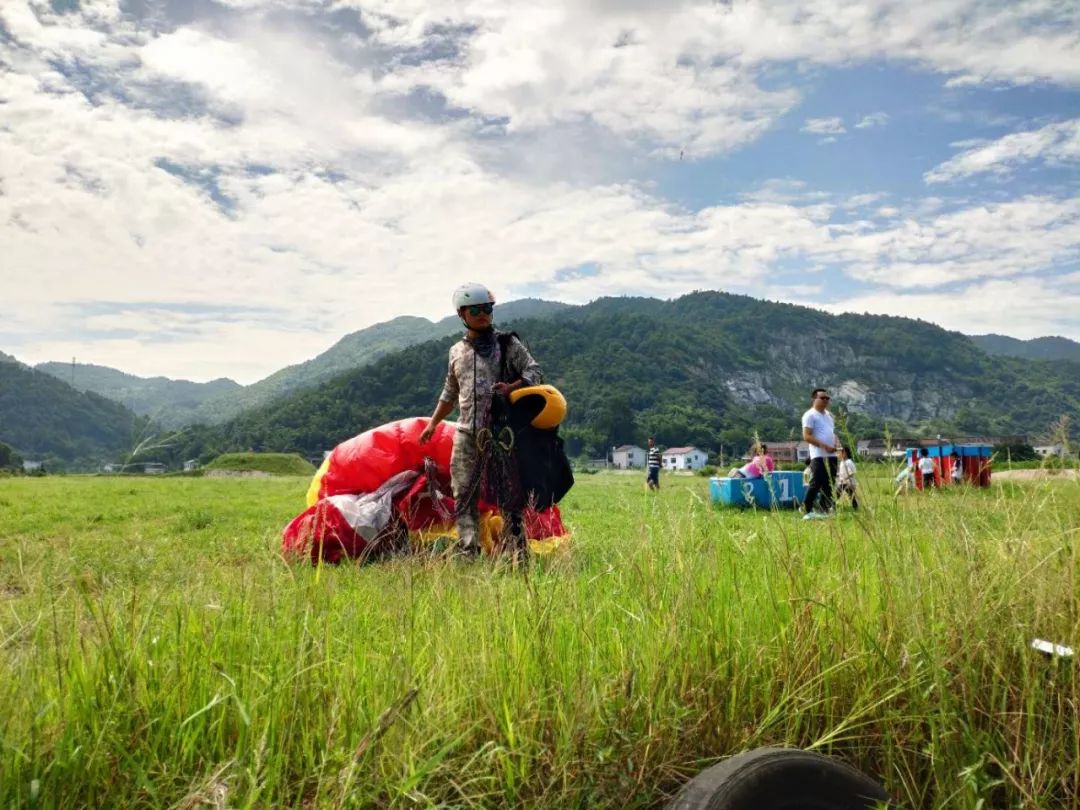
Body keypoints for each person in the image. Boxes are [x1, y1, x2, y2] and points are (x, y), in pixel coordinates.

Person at [419, 283, 542, 555]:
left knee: (510, 493)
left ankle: (517, 551)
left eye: (487, 308)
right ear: (462, 314)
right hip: (467, 433)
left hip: (502, 433)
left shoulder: (507, 344)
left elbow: (534, 370)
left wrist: (512, 387)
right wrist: (433, 423)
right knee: (463, 491)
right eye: (476, 310)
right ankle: (469, 549)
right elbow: (450, 392)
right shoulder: (456, 352)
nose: (484, 314)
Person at [801, 387, 837, 519]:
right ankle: (807, 508)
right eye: (822, 398)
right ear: (814, 399)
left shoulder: (828, 416)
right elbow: (807, 436)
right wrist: (824, 446)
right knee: (816, 482)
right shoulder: (810, 415)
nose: (826, 400)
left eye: (827, 398)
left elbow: (832, 433)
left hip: (832, 455)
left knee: (830, 484)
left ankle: (824, 510)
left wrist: (837, 443)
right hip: (819, 455)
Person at [836, 445, 859, 510]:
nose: (838, 455)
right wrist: (838, 475)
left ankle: (832, 506)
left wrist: (845, 478)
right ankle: (855, 507)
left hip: (848, 483)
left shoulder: (848, 462)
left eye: (839, 453)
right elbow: (842, 472)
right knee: (851, 496)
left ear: (845, 453)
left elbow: (852, 473)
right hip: (844, 482)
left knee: (837, 493)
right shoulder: (842, 462)